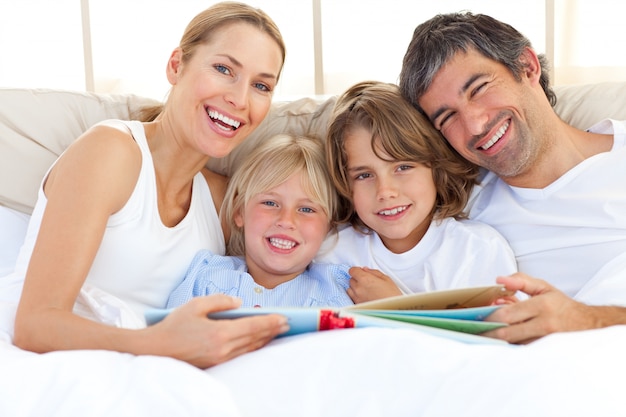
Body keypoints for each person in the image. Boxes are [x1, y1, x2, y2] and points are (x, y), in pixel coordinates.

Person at [10, 1, 290, 369]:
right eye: (224, 69)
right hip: (50, 365)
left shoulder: (222, 201)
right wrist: (159, 344)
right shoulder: (111, 153)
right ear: (176, 66)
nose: (239, 100)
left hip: (149, 373)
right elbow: (34, 326)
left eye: (261, 86)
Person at [399, 11, 626, 344]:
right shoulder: (459, 207)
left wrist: (588, 318)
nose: (475, 126)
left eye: (478, 89)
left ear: (527, 66)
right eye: (447, 117)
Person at [316, 80, 517, 303]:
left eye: (403, 167)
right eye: (364, 175)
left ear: (436, 168)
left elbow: (499, 334)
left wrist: (395, 307)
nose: (385, 191)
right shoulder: (331, 254)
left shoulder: (477, 250)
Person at [166, 133, 353, 309]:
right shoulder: (206, 278)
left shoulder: (338, 289)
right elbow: (171, 336)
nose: (286, 220)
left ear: (329, 225)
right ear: (239, 211)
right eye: (270, 203)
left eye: (306, 209)